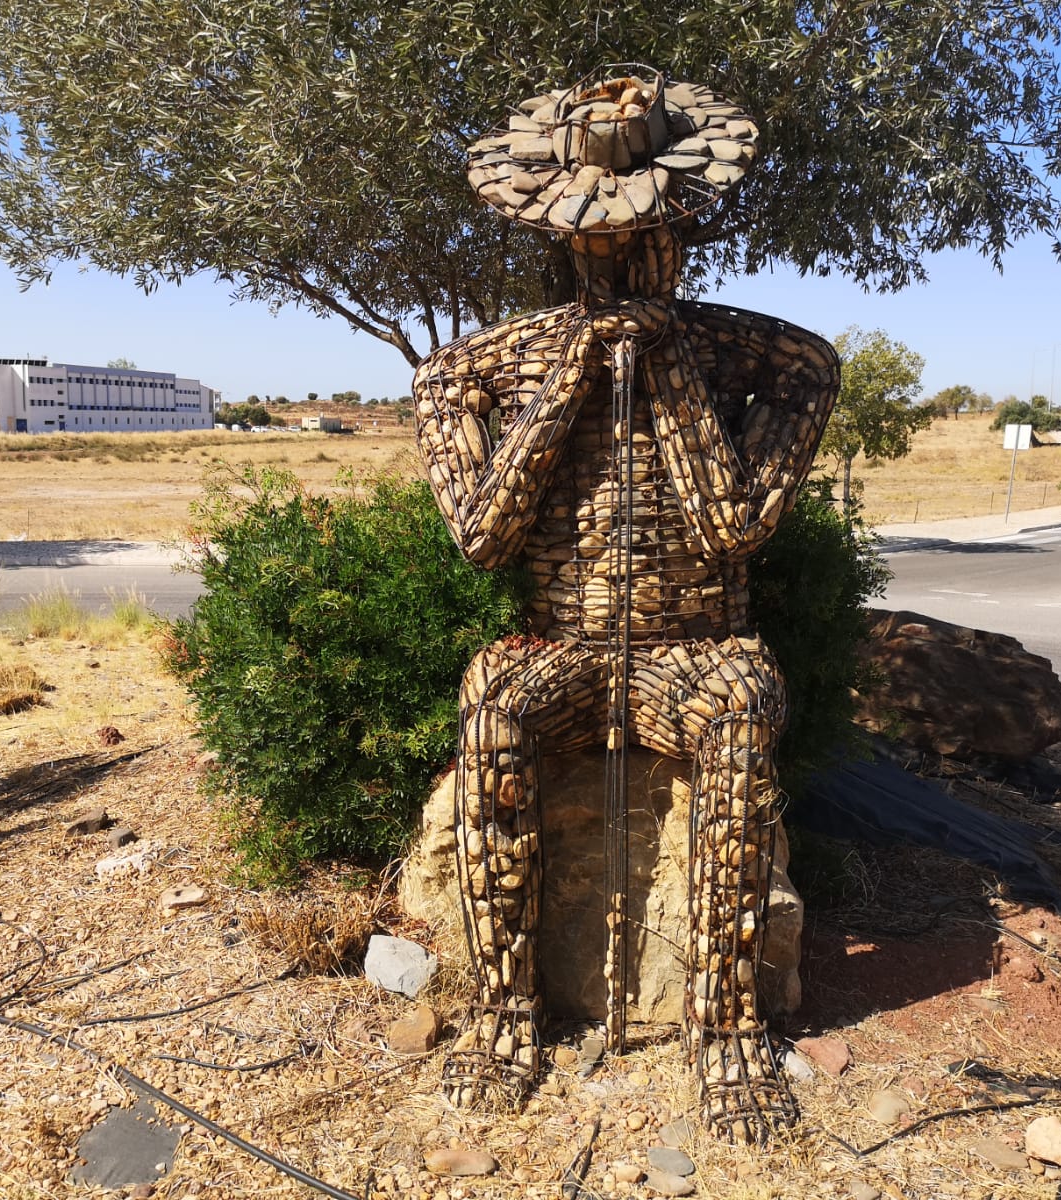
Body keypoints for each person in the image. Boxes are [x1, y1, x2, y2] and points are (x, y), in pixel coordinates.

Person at [412, 65, 838, 1142]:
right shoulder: (471, 370)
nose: (621, 250)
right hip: (559, 640)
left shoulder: (776, 358)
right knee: (493, 702)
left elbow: (735, 529)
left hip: (693, 647)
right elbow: (483, 538)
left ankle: (726, 1033)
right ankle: (505, 1016)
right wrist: (567, 384)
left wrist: (665, 369)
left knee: (740, 712)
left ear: (686, 222)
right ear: (555, 231)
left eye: (644, 230)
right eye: (596, 236)